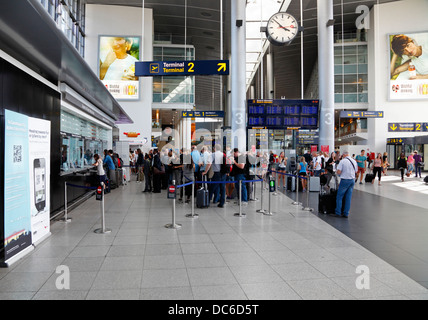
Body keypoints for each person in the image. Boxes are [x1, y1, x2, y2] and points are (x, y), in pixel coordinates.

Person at [332, 151, 358, 218]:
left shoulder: (342, 161)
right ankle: (346, 213)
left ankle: (338, 212)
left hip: (345, 180)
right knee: (348, 197)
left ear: (344, 155)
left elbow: (339, 171)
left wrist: (337, 172)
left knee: (339, 196)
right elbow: (356, 171)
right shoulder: (354, 161)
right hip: (352, 180)